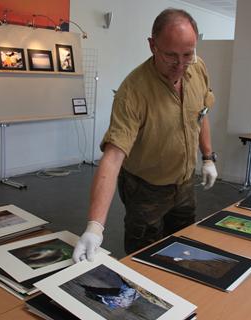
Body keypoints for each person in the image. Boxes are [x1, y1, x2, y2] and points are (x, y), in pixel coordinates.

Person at [73, 8, 217, 262]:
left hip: (184, 185)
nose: (180, 65)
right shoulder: (134, 92)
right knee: (147, 259)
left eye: (188, 55)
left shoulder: (198, 68)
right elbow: (113, 156)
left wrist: (207, 157)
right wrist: (95, 226)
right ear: (152, 46)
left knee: (183, 250)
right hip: (145, 189)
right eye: (171, 56)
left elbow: (201, 114)